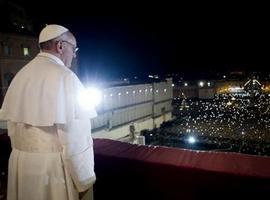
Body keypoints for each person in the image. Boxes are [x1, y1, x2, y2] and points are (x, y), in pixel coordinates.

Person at [0, 24, 97, 200]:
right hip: (53, 171)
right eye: (73, 48)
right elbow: (76, 140)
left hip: (21, 165)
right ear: (60, 46)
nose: (74, 54)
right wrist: (84, 179)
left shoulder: (21, 75)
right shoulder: (66, 77)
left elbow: (12, 129)